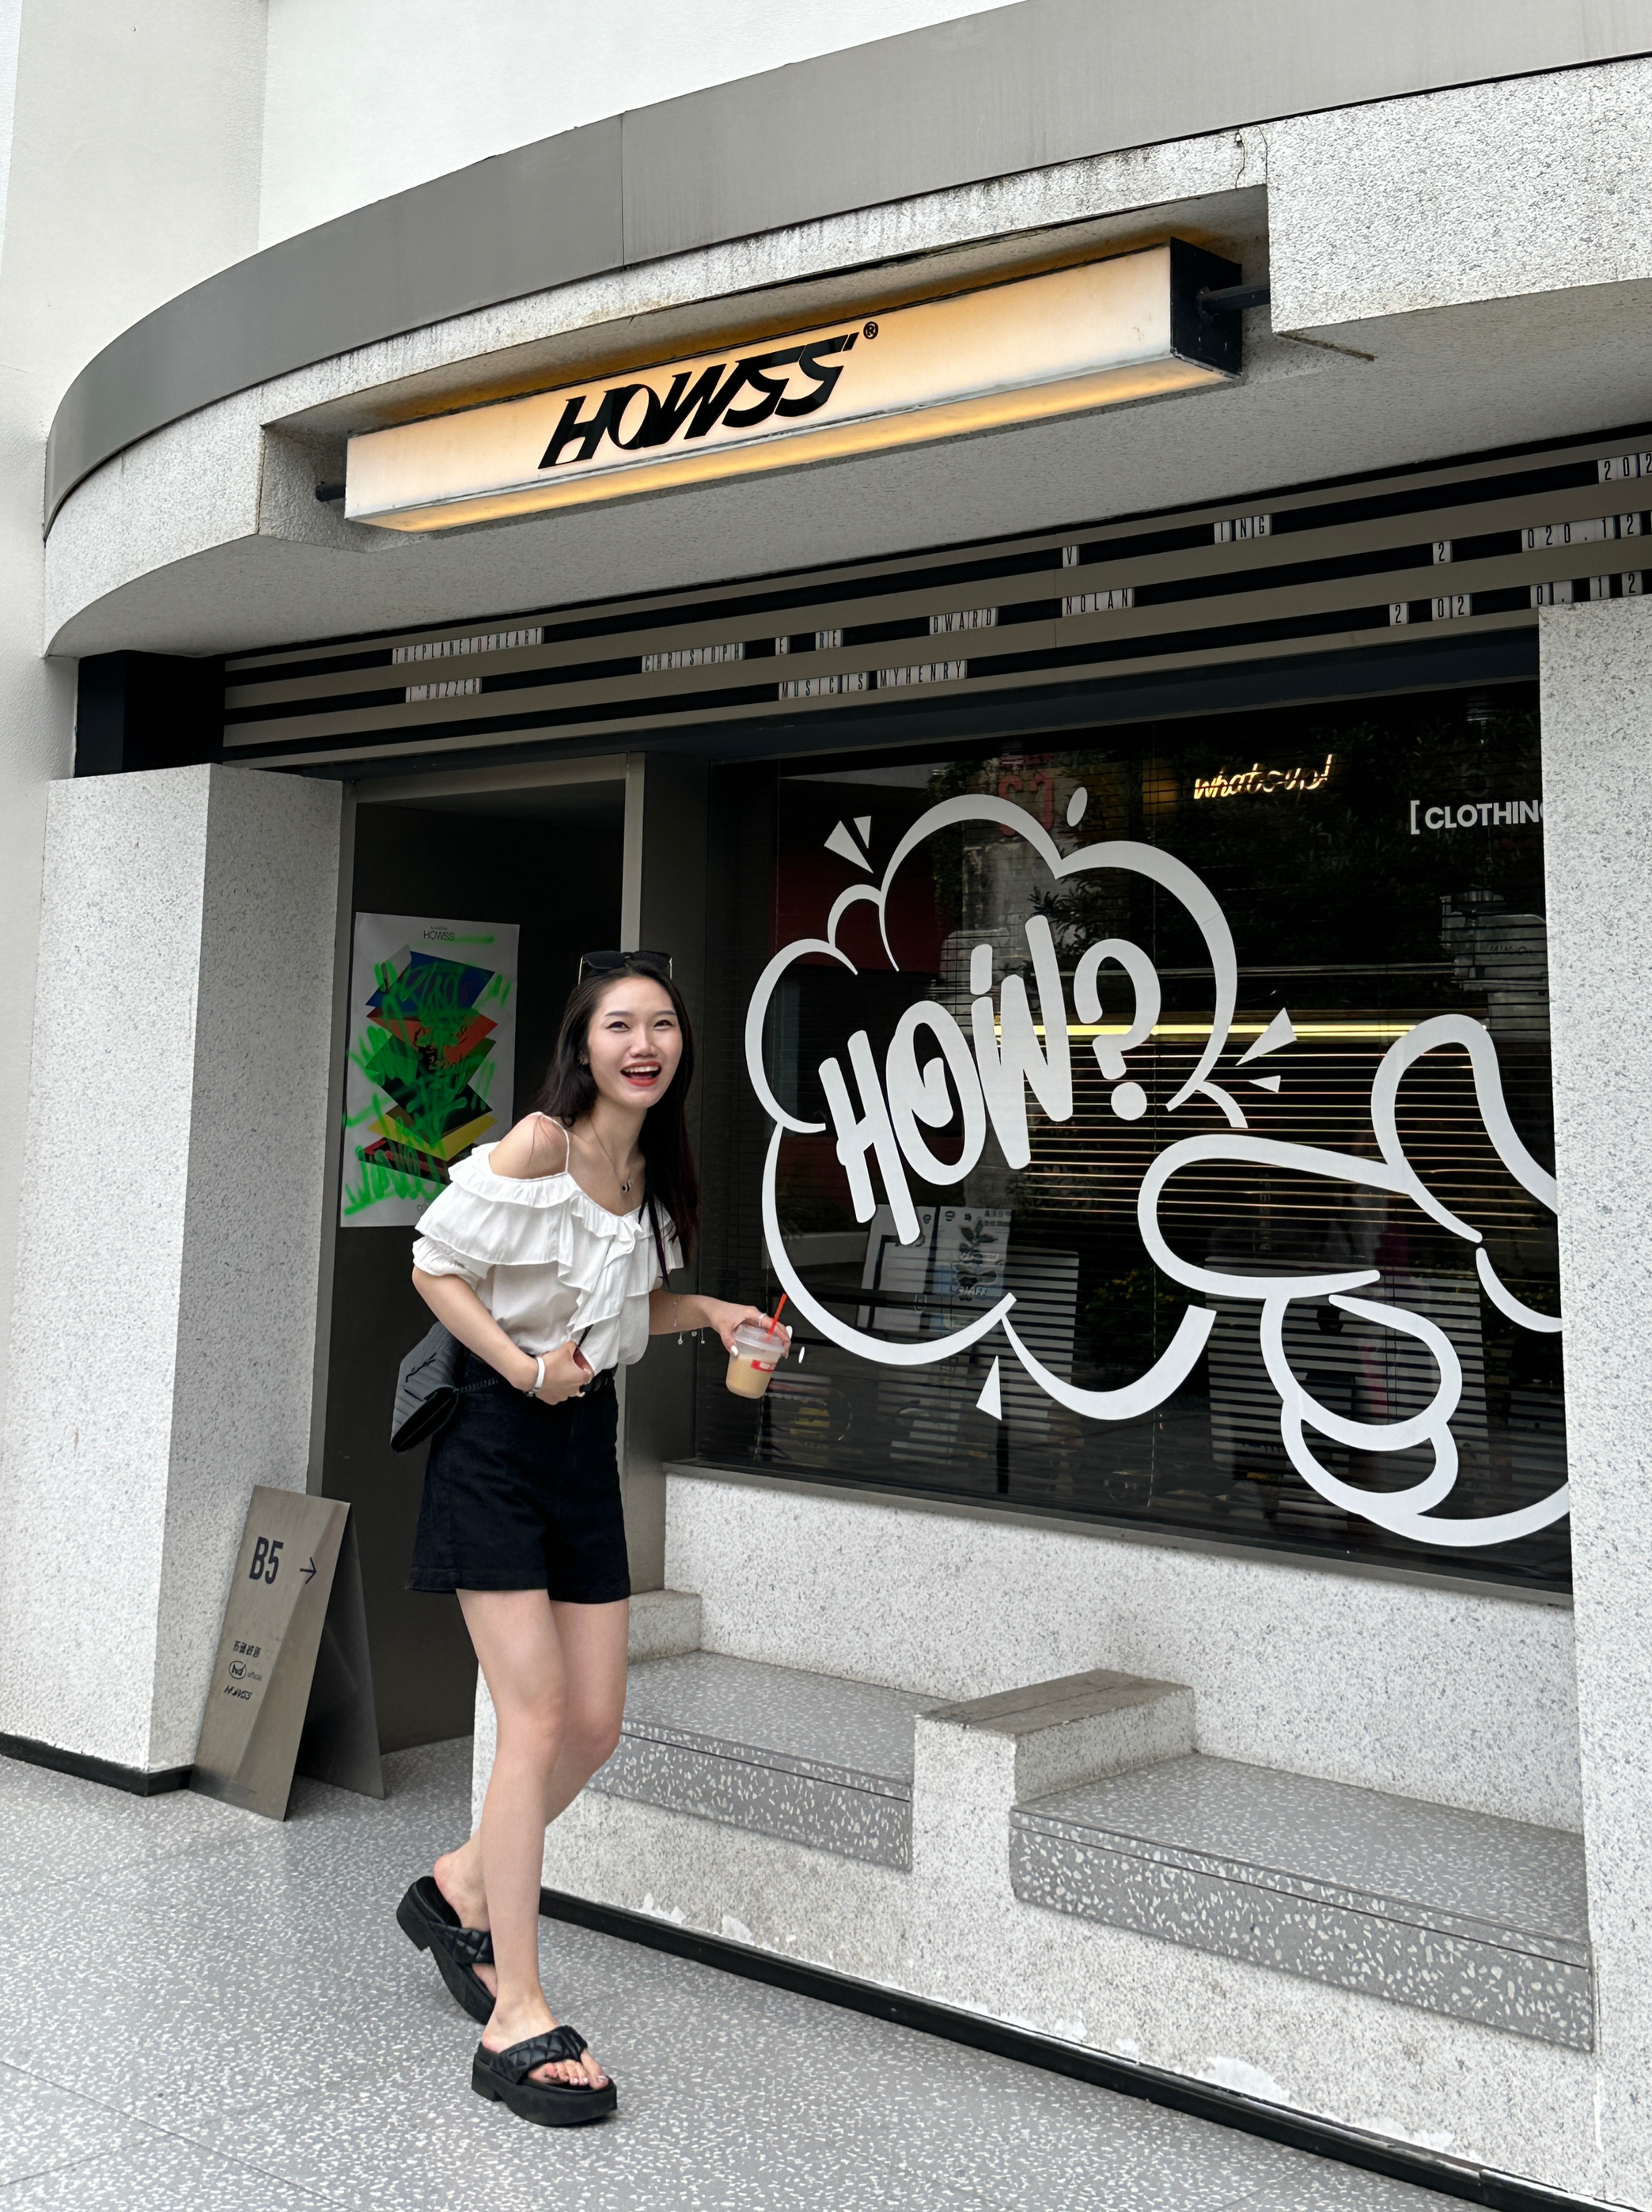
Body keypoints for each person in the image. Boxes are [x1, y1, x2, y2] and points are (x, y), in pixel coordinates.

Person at [393, 951, 788, 2127]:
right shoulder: (539, 1145)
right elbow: (434, 1264)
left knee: (596, 1725)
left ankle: (461, 1883)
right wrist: (522, 1370)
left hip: (581, 1447)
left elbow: (619, 1309)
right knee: (537, 1720)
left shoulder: (651, 1169)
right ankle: (515, 2011)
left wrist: (707, 1310)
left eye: (662, 1025)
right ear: (583, 1043)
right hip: (493, 1440)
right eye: (620, 1025)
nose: (643, 1044)